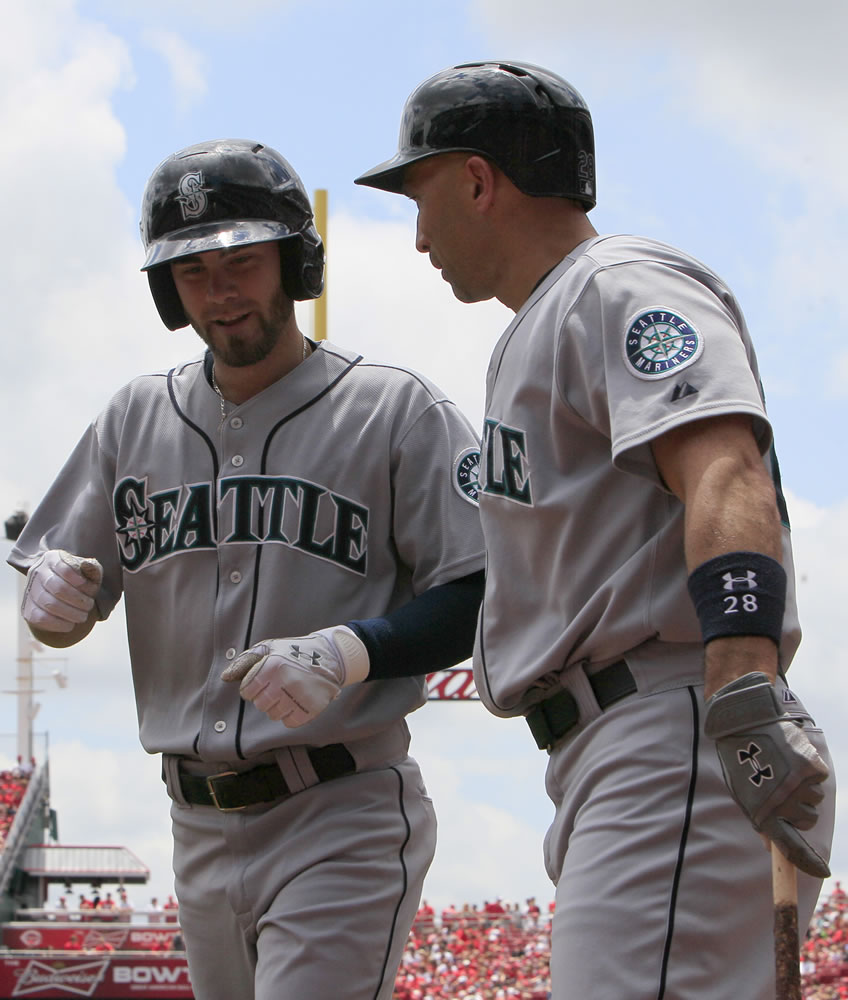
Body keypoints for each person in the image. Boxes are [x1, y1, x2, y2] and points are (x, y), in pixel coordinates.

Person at [355, 60, 836, 999]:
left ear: (478, 180)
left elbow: (725, 469)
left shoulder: (617, 284)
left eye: (421, 195)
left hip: (673, 727)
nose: (416, 236)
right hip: (612, 746)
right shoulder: (540, 324)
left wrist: (744, 683)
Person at [8, 138, 485, 1000]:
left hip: (340, 808)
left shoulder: (394, 410)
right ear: (167, 289)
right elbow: (62, 599)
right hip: (195, 823)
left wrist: (351, 649)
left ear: (294, 261)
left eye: (241, 260)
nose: (220, 291)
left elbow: (481, 592)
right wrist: (48, 602)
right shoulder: (133, 418)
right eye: (193, 272)